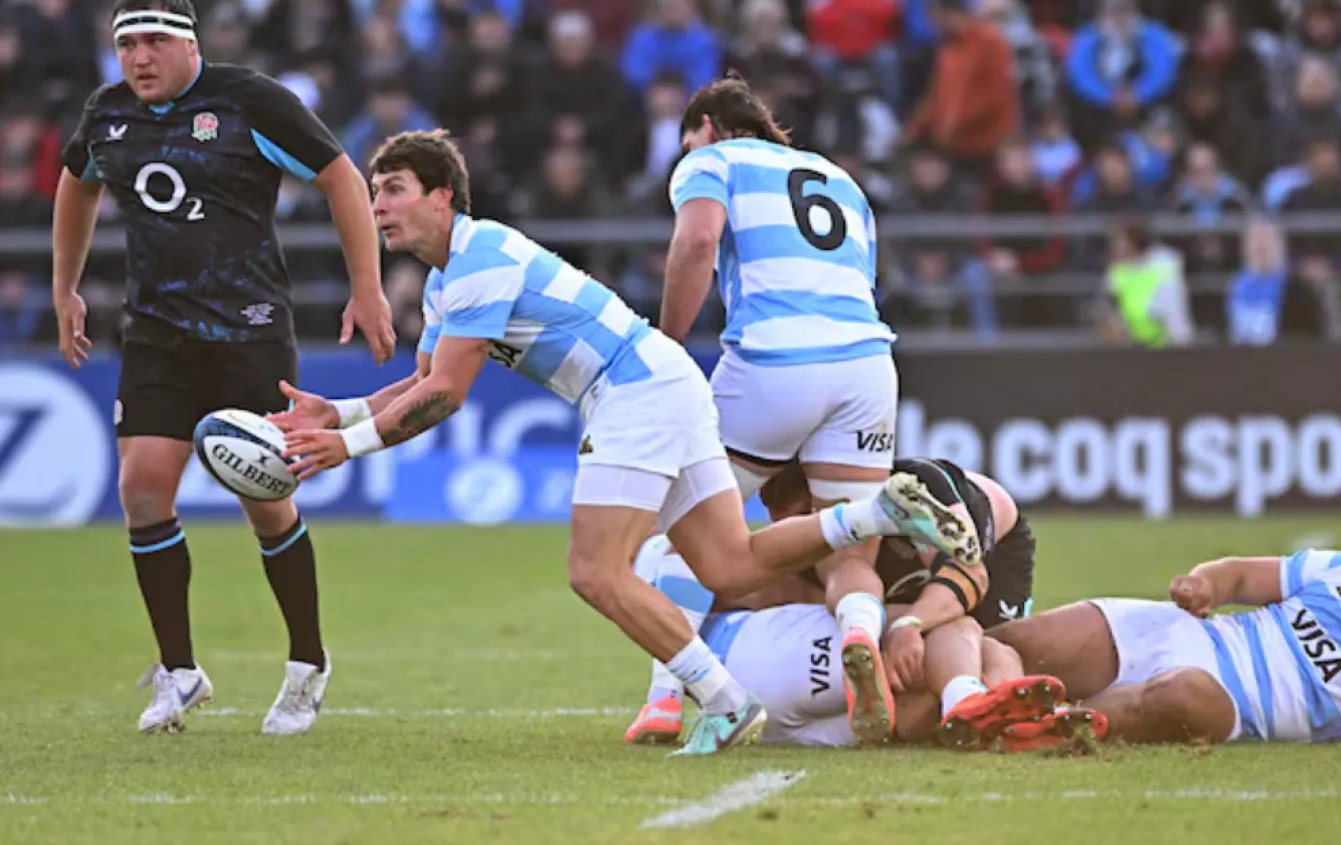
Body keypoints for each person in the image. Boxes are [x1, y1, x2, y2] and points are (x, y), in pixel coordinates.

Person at [271, 129, 981, 756]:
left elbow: (449, 394)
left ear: (443, 194)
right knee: (728, 564)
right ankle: (875, 515)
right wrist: (338, 412)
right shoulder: (446, 281)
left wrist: (352, 447)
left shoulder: (481, 254)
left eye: (393, 190)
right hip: (663, 379)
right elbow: (422, 379)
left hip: (633, 389)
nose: (377, 207)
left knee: (596, 570)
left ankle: (725, 702)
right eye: (372, 193)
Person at [52, 0, 396, 736]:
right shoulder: (107, 114)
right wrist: (65, 285)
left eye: (153, 43)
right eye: (127, 45)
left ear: (190, 44)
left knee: (267, 500)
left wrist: (366, 288)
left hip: (250, 331)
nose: (139, 59)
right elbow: (75, 186)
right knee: (143, 489)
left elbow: (340, 174)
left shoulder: (250, 101)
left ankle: (307, 663)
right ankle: (180, 672)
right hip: (156, 333)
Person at [661, 75, 904, 744]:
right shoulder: (842, 181)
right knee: (850, 543)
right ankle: (859, 631)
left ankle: (662, 699)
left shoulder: (709, 161)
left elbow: (696, 242)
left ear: (708, 126)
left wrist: (667, 346)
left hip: (773, 359)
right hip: (865, 365)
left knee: (682, 520)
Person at [625, 457, 1037, 745]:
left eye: (803, 517)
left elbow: (969, 573)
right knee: (962, 654)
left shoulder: (917, 485)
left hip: (991, 565)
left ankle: (980, 706)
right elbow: (753, 587)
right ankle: (976, 705)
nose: (801, 531)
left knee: (983, 643)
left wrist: (909, 627)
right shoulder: (816, 530)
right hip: (795, 655)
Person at [992, 525, 1341, 749]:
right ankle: (953, 692)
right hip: (1190, 633)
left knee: (1183, 694)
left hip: (1230, 701)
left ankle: (1031, 722)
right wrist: (1202, 583)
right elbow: (1236, 576)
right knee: (1015, 643)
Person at [629, 534, 1063, 749]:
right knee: (961, 631)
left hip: (749, 712)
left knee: (912, 715)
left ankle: (995, 717)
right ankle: (977, 704)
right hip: (749, 647)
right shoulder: (681, 535)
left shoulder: (650, 550)